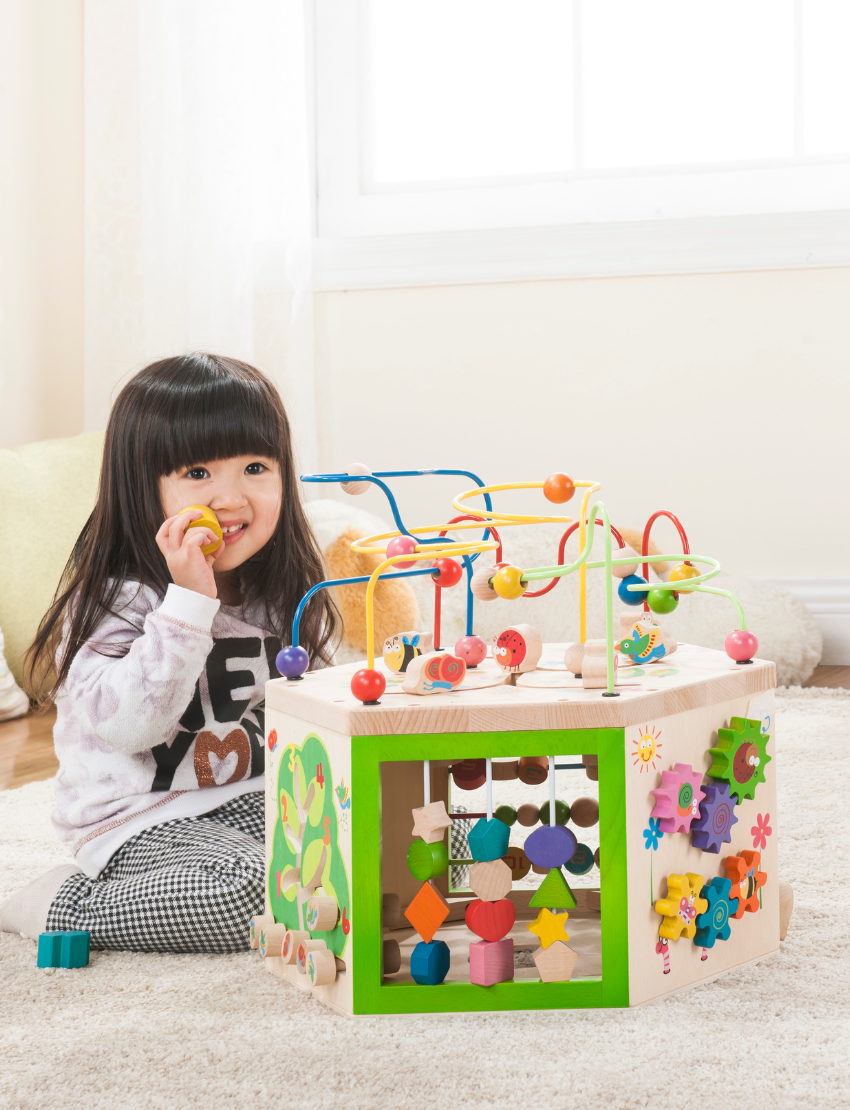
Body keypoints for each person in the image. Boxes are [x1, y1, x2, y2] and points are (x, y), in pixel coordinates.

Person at [0, 353, 338, 953]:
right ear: (142, 487)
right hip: (141, 816)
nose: (231, 498)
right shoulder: (118, 600)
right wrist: (187, 602)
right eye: (198, 474)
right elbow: (130, 727)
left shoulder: (282, 589)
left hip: (252, 796)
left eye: (256, 467)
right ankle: (64, 904)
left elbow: (314, 708)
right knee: (255, 893)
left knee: (381, 846)